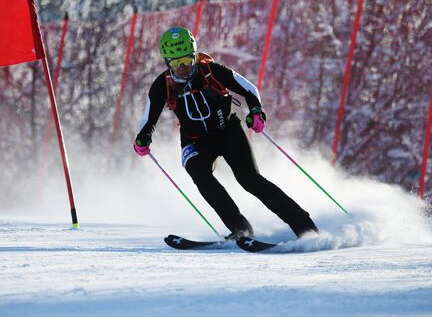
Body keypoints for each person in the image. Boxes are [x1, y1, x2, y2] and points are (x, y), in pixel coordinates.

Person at [133, 27, 318, 240]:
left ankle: (304, 226)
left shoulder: (211, 70)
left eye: (185, 60)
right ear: (167, 62)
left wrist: (256, 111)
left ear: (194, 56)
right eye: (174, 63)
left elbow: (248, 88)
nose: (181, 67)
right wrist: (143, 137)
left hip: (228, 131)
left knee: (249, 180)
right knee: (197, 171)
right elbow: (149, 117)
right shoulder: (162, 85)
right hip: (196, 140)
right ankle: (239, 227)